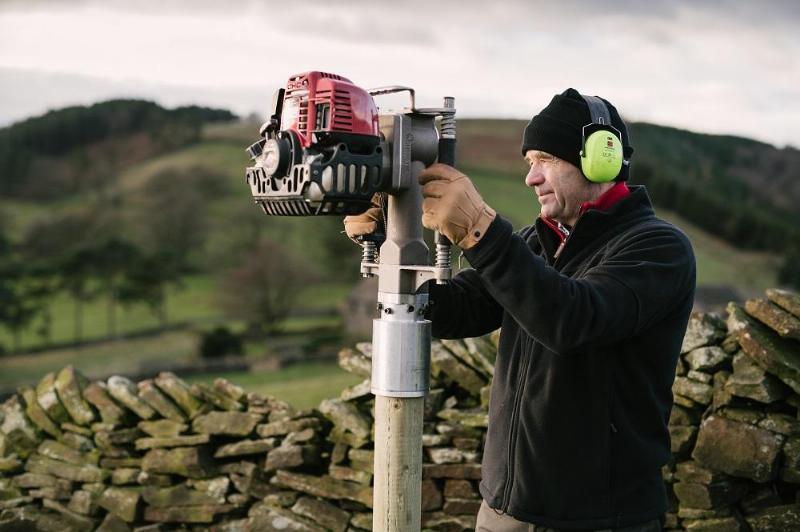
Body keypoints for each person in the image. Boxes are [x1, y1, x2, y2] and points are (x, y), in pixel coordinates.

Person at [345, 88, 696, 531]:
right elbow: (458, 310)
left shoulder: (657, 247)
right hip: (503, 510)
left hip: (598, 519)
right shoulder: (538, 242)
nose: (531, 177)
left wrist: (481, 232)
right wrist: (389, 245)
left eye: (545, 159)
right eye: (529, 161)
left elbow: (572, 320)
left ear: (601, 157)